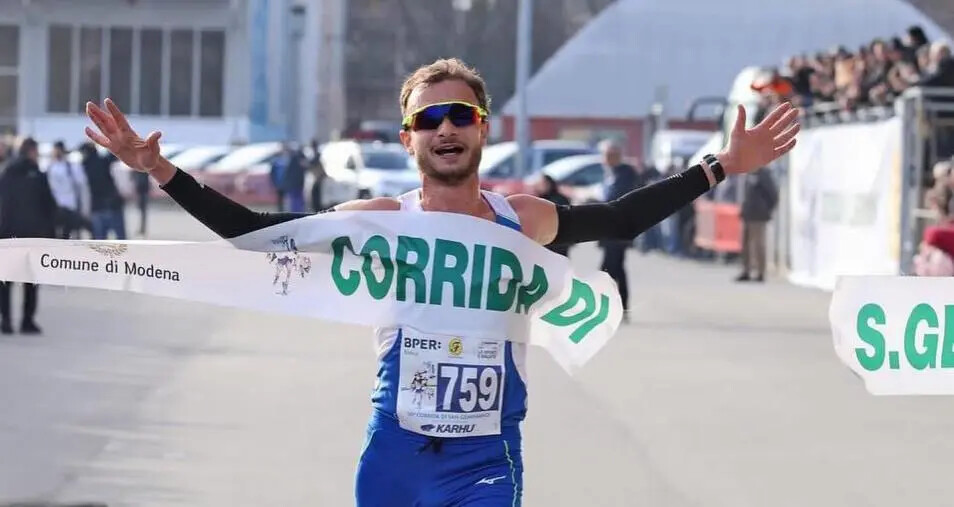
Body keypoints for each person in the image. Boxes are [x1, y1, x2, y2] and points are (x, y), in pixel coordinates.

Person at [83, 57, 799, 506]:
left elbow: (617, 219)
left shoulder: (521, 218)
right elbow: (253, 233)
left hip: (483, 457)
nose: (446, 127)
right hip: (393, 450)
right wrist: (159, 171)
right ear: (408, 137)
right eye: (430, 118)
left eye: (462, 114)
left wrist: (718, 167)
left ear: (482, 129)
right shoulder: (377, 218)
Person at [0, 138, 56, 335]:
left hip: (8, 235)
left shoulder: (7, 173)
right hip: (34, 236)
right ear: (32, 152)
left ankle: (5, 321)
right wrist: (51, 235)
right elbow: (49, 207)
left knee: (5, 282)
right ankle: (27, 321)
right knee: (31, 281)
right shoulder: (38, 175)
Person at [597, 140, 637, 317]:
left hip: (618, 229)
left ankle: (611, 306)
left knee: (609, 269)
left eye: (607, 155)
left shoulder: (625, 173)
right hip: (609, 229)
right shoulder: (610, 173)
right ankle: (620, 306)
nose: (604, 159)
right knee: (615, 268)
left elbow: (616, 197)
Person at [735, 166, 779, 282]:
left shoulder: (763, 174)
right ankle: (746, 270)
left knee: (759, 244)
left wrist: (766, 209)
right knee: (746, 244)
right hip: (748, 213)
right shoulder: (748, 174)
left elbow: (773, 194)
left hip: (759, 214)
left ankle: (760, 272)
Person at [46, 140, 92, 239]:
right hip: (56, 210)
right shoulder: (50, 168)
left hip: (72, 209)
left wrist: (85, 209)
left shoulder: (73, 167)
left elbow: (83, 189)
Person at [534, 174, 570, 256]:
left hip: (559, 240)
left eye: (543, 184)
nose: (540, 186)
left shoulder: (559, 199)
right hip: (544, 240)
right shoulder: (538, 199)